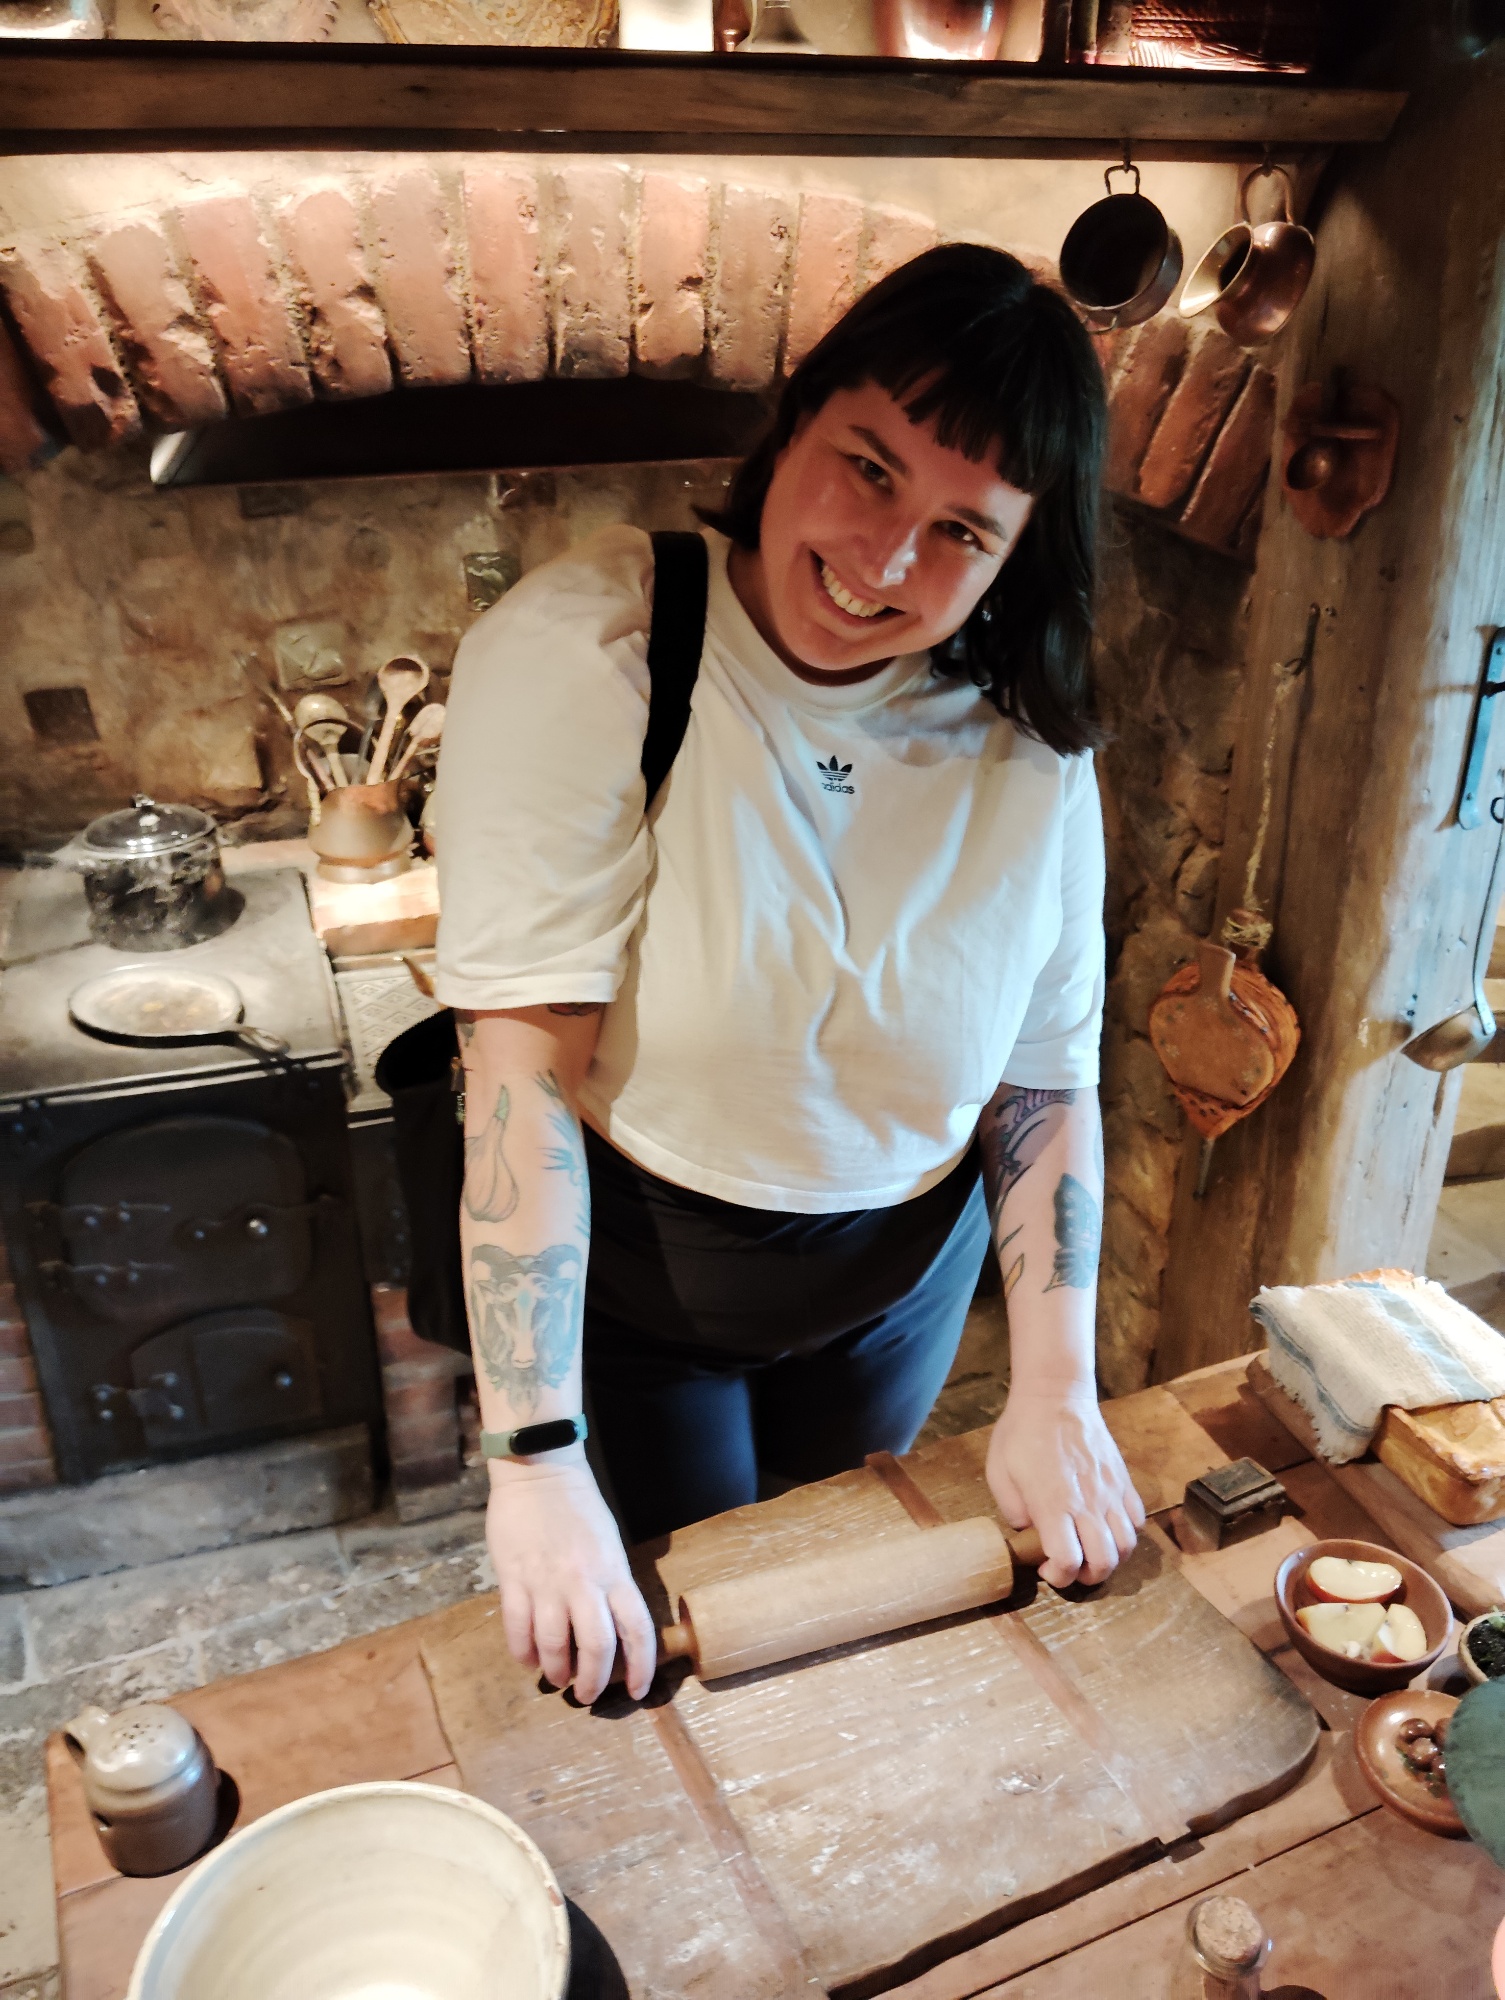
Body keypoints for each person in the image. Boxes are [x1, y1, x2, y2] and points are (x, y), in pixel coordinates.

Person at [432, 242, 1145, 1708]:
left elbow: (1041, 1084)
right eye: (868, 469)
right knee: (692, 1640)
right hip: (652, 1290)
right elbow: (520, 1073)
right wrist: (538, 1458)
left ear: (1017, 558)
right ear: (793, 417)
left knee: (843, 1601)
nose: (885, 561)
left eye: (962, 531)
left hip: (905, 1281)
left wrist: (1056, 1387)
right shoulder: (599, 652)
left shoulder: (1028, 743)